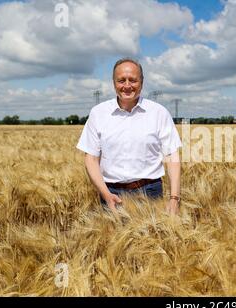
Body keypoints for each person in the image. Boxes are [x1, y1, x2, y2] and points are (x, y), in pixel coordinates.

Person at [76, 58, 182, 215]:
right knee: (112, 239)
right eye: (121, 80)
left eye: (133, 80)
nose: (127, 86)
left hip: (150, 191)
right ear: (114, 83)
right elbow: (91, 158)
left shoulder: (159, 112)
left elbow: (172, 155)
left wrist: (174, 198)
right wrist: (105, 194)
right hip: (111, 192)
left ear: (142, 82)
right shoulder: (98, 113)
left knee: (152, 239)